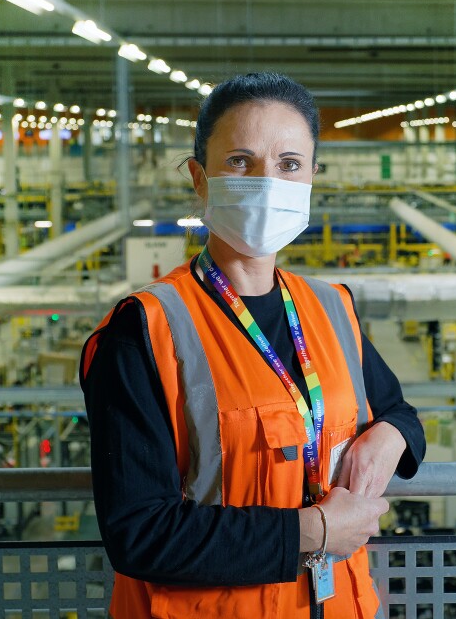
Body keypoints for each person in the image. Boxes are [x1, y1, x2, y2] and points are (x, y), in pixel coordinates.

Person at [81, 72, 426, 619]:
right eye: (241, 162)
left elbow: (399, 411)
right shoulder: (143, 330)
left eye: (289, 165)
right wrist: (314, 530)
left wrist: (391, 437)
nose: (268, 182)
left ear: (312, 176)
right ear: (199, 177)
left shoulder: (331, 305)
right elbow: (138, 532)